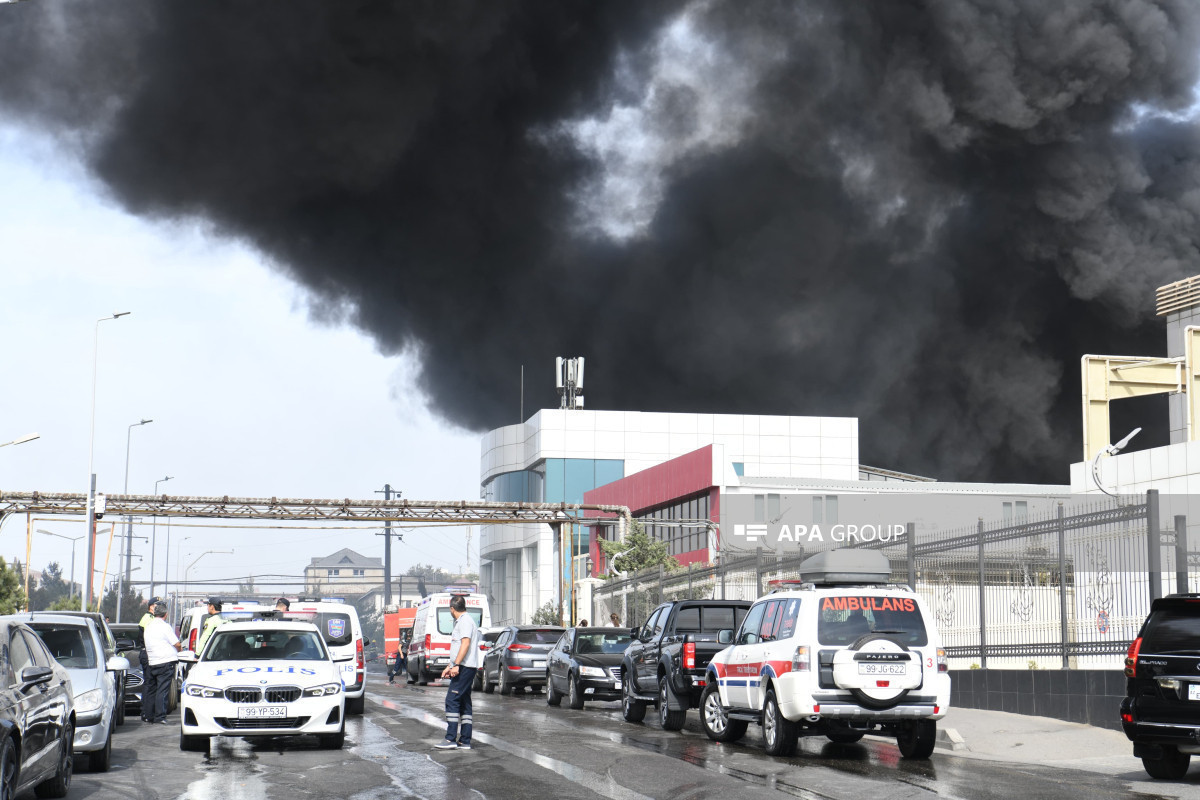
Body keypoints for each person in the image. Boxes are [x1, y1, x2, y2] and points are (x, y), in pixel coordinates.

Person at [434, 596, 481, 751]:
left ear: (452, 609)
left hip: (465, 667)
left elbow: (465, 644)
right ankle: (465, 740)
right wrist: (450, 665)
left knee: (452, 700)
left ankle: (450, 739)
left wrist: (456, 665)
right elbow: (459, 647)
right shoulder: (463, 621)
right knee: (464, 702)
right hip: (464, 665)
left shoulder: (465, 621)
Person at [143, 603, 181, 723]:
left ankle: (149, 715)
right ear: (166, 614)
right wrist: (179, 650)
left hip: (152, 661)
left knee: (152, 689)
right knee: (163, 690)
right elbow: (177, 643)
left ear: (154, 613)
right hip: (165, 662)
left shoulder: (148, 626)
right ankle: (160, 716)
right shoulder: (165, 627)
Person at [138, 596, 162, 721]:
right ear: (152, 606)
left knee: (150, 683)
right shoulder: (148, 619)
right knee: (149, 684)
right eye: (157, 605)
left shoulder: (151, 618)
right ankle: (146, 712)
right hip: (147, 653)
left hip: (149, 653)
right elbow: (151, 637)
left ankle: (147, 712)